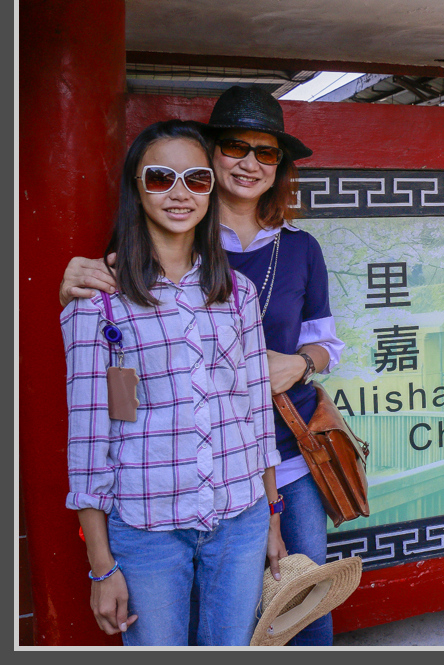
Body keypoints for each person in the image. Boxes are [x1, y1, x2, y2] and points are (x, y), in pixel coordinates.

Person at [60, 86, 345, 645]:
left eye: (266, 153)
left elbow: (321, 348)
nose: (250, 162)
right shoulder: (121, 281)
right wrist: (101, 561)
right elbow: (100, 420)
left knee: (297, 604)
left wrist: (299, 366)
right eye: (235, 147)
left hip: (269, 465)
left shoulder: (277, 262)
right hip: (156, 500)